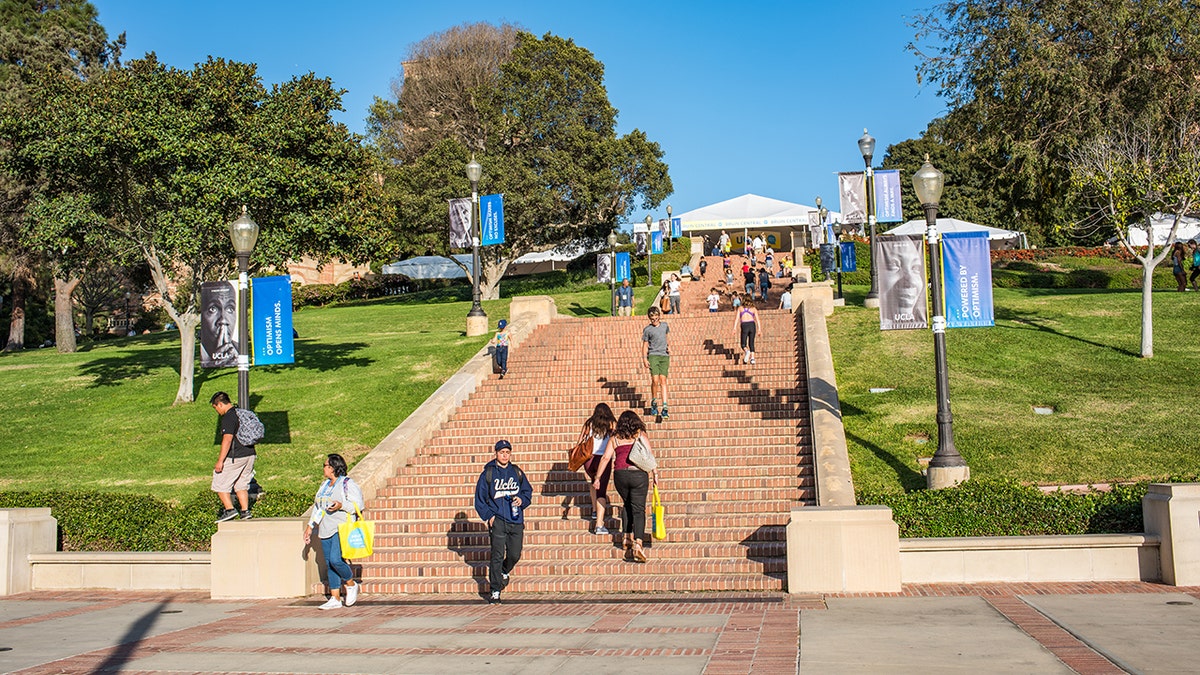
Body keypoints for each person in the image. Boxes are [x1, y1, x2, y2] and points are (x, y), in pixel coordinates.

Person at [593, 410, 657, 563]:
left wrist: (597, 478)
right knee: (638, 509)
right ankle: (638, 544)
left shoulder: (615, 437)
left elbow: (606, 458)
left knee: (627, 505)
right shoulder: (639, 434)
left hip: (620, 475)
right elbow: (649, 454)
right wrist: (655, 474)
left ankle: (626, 538)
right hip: (638, 474)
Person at [302, 453, 364, 610]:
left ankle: (351, 584)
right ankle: (335, 598)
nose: (323, 468)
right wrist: (310, 526)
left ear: (333, 468)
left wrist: (340, 505)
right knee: (329, 563)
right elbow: (319, 508)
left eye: (325, 465)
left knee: (336, 560)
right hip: (325, 528)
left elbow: (358, 505)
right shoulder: (324, 485)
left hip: (341, 527)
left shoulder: (347, 484)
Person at [474, 439, 532, 604]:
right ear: (496, 453)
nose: (504, 455)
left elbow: (528, 491)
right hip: (498, 520)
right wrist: (489, 516)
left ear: (510, 454)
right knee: (497, 555)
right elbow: (480, 499)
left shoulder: (517, 472)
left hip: (516, 519)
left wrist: (522, 499)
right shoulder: (488, 473)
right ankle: (495, 591)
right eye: (501, 452)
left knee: (514, 553)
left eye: (507, 452)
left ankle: (505, 571)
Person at [209, 391, 255, 522]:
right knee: (242, 484)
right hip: (250, 454)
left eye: (215, 407)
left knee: (219, 482)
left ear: (220, 404)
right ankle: (245, 511)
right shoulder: (242, 413)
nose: (217, 410)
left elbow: (227, 439)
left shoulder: (229, 417)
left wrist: (220, 461)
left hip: (236, 455)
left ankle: (229, 510)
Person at [578, 403, 616, 535]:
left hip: (588, 459)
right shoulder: (611, 423)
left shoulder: (589, 423)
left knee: (594, 481)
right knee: (601, 490)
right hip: (603, 459)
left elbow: (580, 441)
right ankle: (599, 525)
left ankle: (595, 510)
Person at [200, 282, 238, 368]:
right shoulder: (201, 355)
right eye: (213, 309)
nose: (223, 320)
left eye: (230, 309)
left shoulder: (239, 350)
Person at [642, 306, 670, 419]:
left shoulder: (665, 326)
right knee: (655, 380)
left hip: (664, 355)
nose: (655, 320)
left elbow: (667, 337)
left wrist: (669, 346)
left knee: (663, 380)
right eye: (652, 319)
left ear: (659, 316)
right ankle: (654, 402)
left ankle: (665, 406)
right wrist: (644, 358)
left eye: (656, 318)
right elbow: (644, 345)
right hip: (653, 355)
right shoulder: (647, 330)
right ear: (649, 318)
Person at [734, 297, 761, 365]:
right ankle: (752, 358)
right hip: (752, 325)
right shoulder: (753, 309)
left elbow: (737, 319)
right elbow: (757, 320)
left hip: (744, 325)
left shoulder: (740, 308)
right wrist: (759, 329)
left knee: (743, 344)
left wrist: (734, 328)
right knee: (751, 342)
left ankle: (747, 351)